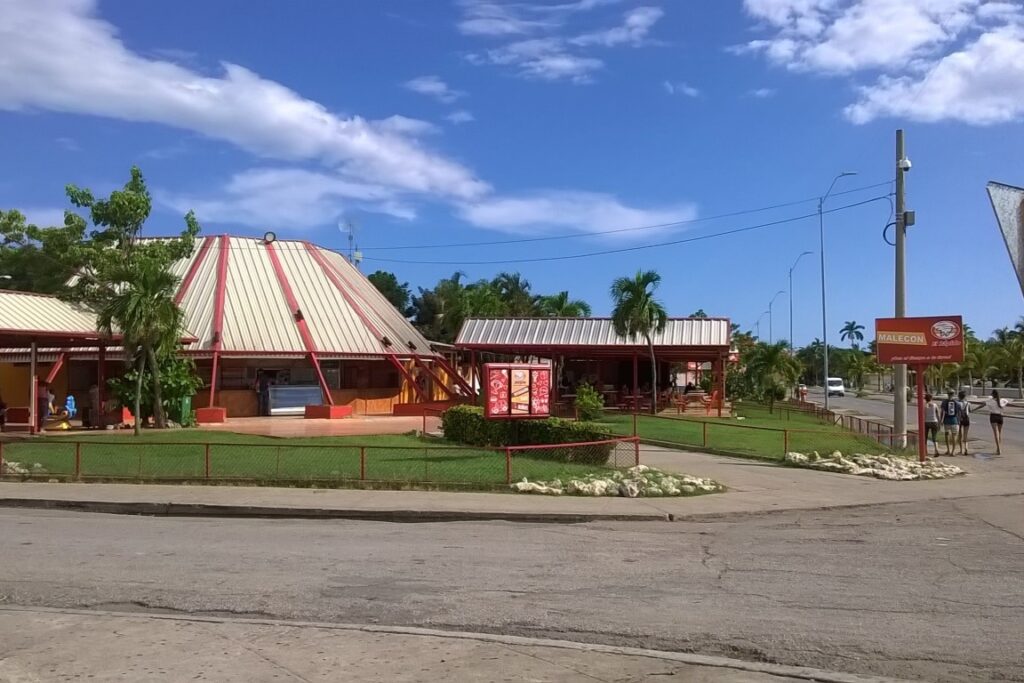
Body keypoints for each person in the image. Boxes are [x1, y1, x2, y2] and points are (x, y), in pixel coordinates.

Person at [986, 390, 1011, 456]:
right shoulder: (1002, 400)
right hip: (1000, 416)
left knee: (996, 433)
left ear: (992, 394)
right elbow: (1009, 403)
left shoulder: (990, 401)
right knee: (999, 433)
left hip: (993, 416)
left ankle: (998, 448)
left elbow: (982, 405)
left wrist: (974, 410)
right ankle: (998, 448)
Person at [939, 390, 961, 456]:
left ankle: (948, 450)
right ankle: (953, 451)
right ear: (954, 394)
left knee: (947, 435)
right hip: (954, 420)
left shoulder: (944, 402)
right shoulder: (957, 403)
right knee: (954, 435)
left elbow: (942, 412)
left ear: (947, 394)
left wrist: (941, 420)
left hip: (946, 420)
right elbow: (959, 413)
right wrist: (959, 421)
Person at [956, 390, 972, 455]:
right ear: (965, 396)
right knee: (966, 435)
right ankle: (966, 448)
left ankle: (961, 450)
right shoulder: (968, 403)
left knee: (960, 435)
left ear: (959, 396)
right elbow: (970, 411)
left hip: (960, 419)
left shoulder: (957, 403)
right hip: (967, 419)